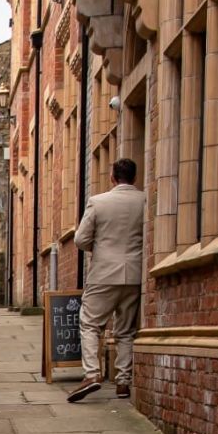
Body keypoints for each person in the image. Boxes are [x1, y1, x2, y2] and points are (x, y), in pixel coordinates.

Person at [68, 158, 147, 402]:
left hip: (103, 273)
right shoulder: (145, 200)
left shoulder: (98, 202)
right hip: (134, 274)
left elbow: (81, 240)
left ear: (112, 177)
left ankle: (92, 374)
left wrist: (100, 247)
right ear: (134, 177)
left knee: (90, 324)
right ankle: (123, 381)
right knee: (126, 330)